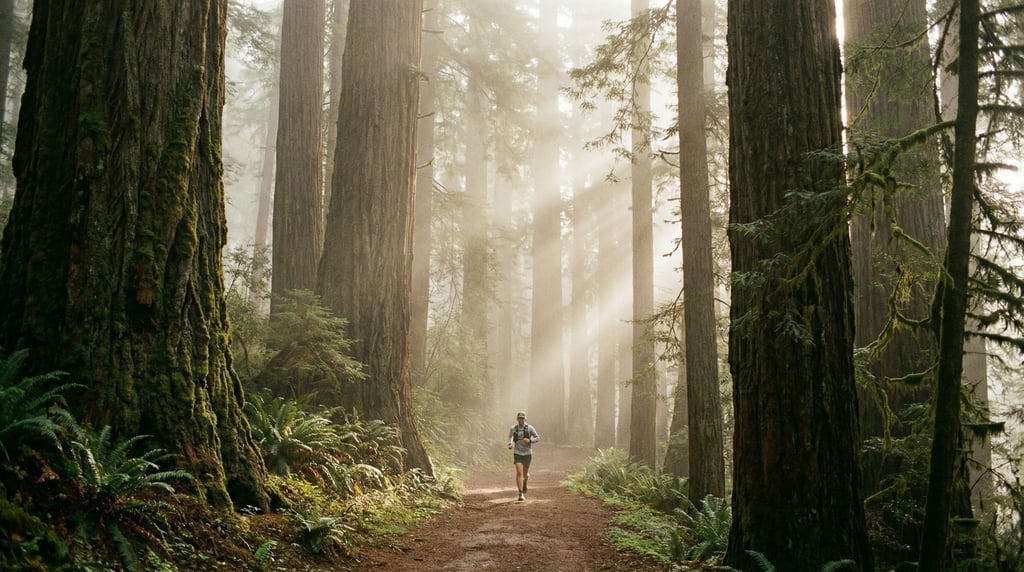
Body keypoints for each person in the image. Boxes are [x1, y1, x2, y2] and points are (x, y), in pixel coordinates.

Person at [507, 411, 539, 501]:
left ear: (525, 419)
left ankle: (525, 482)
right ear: (517, 419)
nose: (521, 420)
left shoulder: (530, 428)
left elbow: (537, 438)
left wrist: (530, 441)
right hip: (517, 453)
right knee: (519, 473)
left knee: (525, 474)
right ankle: (520, 493)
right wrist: (510, 443)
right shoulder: (513, 428)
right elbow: (510, 437)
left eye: (522, 418)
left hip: (527, 453)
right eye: (519, 418)